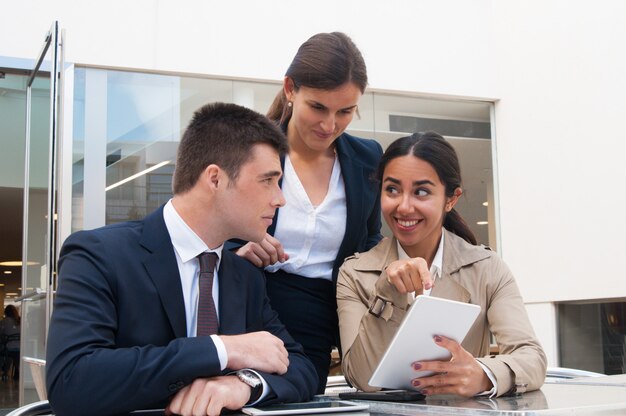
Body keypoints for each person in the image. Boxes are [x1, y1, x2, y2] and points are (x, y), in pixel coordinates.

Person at [46, 102, 317, 416]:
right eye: (268, 180)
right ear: (214, 179)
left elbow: (301, 368)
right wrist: (223, 349)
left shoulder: (245, 276)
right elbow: (72, 381)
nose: (280, 198)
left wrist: (246, 384)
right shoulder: (99, 255)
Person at [337, 132, 547, 397]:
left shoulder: (486, 269)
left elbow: (532, 357)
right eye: (392, 189)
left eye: (421, 192)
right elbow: (361, 378)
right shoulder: (355, 274)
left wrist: (483, 375)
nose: (403, 206)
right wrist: (387, 292)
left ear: (451, 199)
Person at [233, 32, 383, 394]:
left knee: (298, 399)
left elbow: (371, 239)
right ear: (290, 89)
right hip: (247, 305)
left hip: (318, 317)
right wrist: (237, 249)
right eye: (318, 107)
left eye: (345, 111)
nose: (330, 125)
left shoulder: (367, 159)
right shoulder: (247, 148)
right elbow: (207, 228)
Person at [0, 305, 20, 380]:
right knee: (15, 355)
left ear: (6, 312)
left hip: (9, 348)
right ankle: (17, 371)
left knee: (4, 351)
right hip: (21, 348)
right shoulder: (20, 320)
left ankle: (4, 371)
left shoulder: (4, 322)